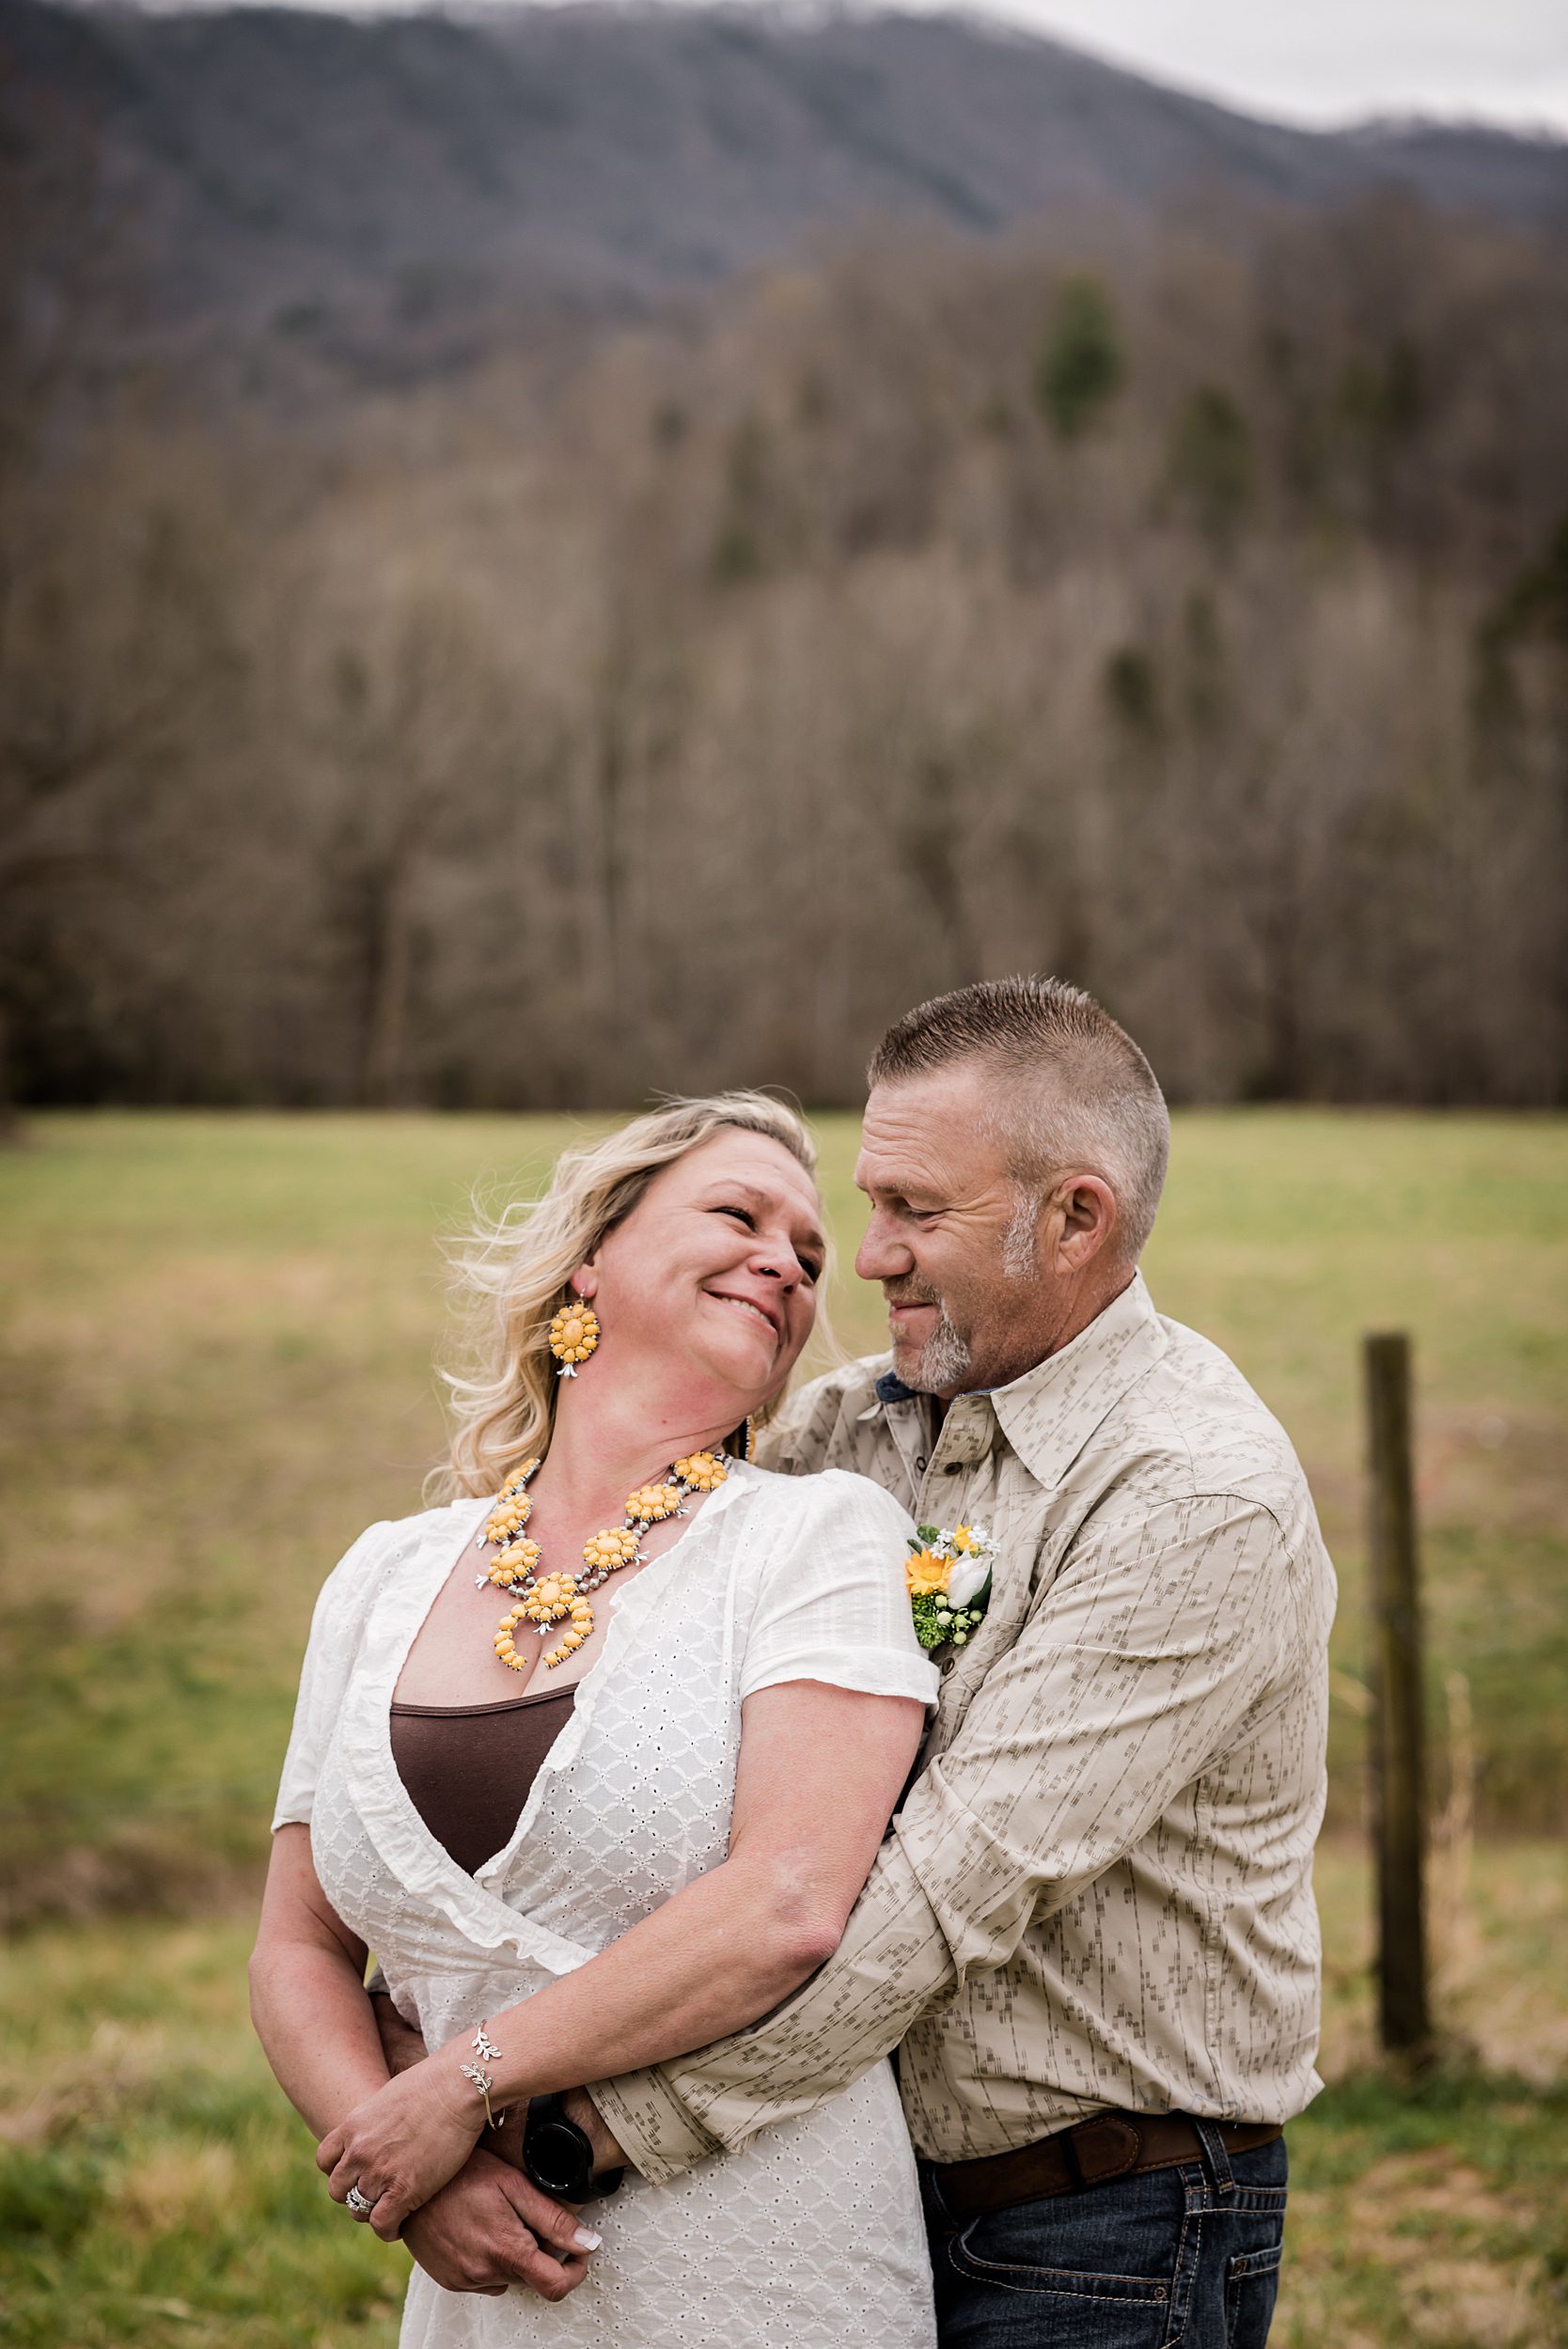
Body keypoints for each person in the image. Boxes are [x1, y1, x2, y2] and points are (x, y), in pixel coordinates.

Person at [565, 979, 1337, 2349]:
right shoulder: (852, 1429)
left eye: (918, 1212)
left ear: (1076, 1218)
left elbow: (945, 1888)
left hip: (1103, 2226)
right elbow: (631, 1679)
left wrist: (594, 2127)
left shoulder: (1194, 1494)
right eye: (869, 1206)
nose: (865, 1261)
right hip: (843, 2185)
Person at [249, 1091, 942, 2348]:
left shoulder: (817, 1538)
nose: (784, 1261)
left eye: (807, 1255)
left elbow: (785, 1902)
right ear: (592, 1263)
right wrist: (416, 2176)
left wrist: (462, 2081)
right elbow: (297, 1949)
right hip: (485, 2290)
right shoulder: (380, 1575)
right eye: (738, 1214)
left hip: (765, 2262)